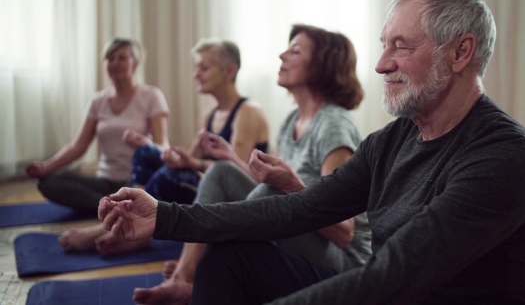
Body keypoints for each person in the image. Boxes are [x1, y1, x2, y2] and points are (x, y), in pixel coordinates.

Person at [100, 0, 525, 304]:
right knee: (228, 260)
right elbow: (300, 208)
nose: (380, 64)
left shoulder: (503, 157)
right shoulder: (391, 141)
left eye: (401, 46)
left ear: (460, 52)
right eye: (383, 44)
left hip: (393, 292)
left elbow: (396, 276)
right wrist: (163, 216)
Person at [132, 24, 372, 305]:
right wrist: (231, 158)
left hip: (343, 261)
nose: (282, 55)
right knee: (222, 173)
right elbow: (271, 188)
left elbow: (345, 232)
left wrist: (291, 185)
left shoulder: (333, 125)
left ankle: (197, 267)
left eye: (295, 50)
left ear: (323, 65)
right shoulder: (291, 121)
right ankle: (185, 276)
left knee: (274, 196)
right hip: (309, 237)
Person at [60, 38, 270, 255]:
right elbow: (190, 162)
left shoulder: (247, 112)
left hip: (228, 199)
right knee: (145, 153)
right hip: (203, 185)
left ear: (229, 71)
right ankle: (129, 219)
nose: (195, 74)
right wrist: (158, 150)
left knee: (170, 175)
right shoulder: (212, 113)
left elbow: (232, 174)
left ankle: (113, 225)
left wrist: (190, 162)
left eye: (203, 68)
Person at [25, 37, 169, 214]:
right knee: (48, 182)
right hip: (104, 182)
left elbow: (163, 147)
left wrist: (145, 143)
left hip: (137, 182)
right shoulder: (97, 101)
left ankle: (114, 205)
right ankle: (113, 206)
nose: (115, 63)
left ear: (136, 63)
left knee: (157, 188)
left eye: (122, 58)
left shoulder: (151, 96)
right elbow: (78, 146)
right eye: (110, 58)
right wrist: (45, 167)